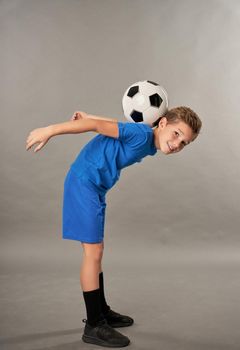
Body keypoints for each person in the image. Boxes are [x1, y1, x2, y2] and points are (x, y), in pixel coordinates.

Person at [25, 106, 202, 348]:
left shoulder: (148, 140)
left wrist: (89, 116)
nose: (177, 144)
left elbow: (112, 125)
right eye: (176, 134)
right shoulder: (142, 135)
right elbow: (98, 128)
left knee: (97, 253)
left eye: (185, 143)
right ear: (161, 124)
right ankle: (94, 325)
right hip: (83, 184)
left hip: (95, 188)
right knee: (93, 254)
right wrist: (50, 130)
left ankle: (102, 311)